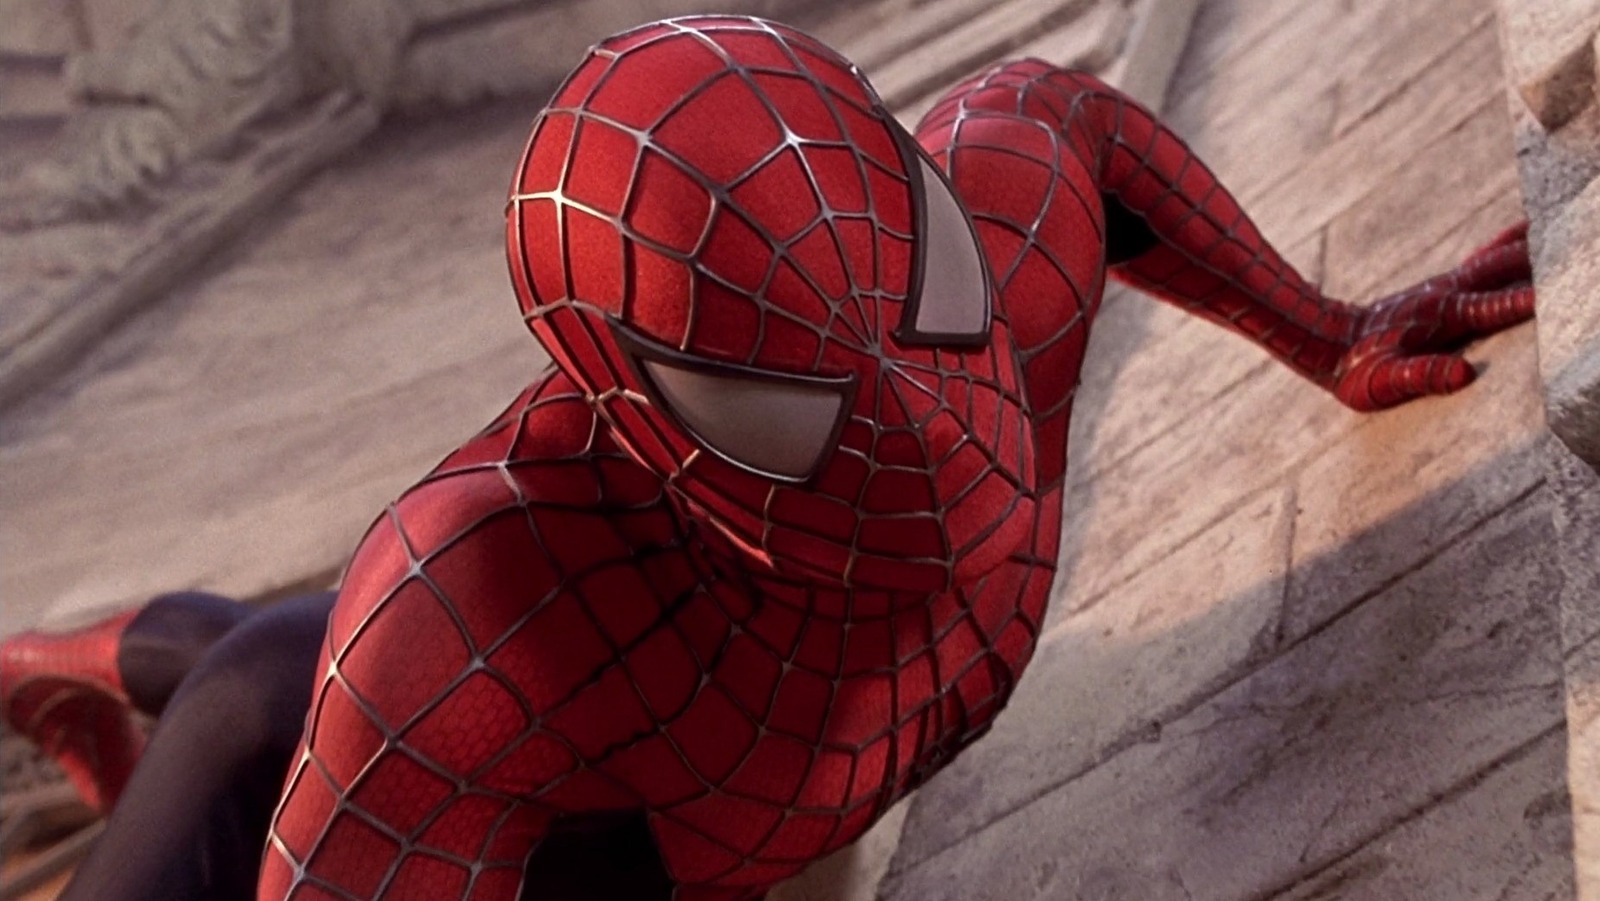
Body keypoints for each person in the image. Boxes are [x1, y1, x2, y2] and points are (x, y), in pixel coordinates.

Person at [0, 15, 1535, 900]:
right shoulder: (469, 609)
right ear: (641, 415)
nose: (931, 440)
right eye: (780, 407)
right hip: (579, 829)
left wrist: (1335, 330)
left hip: (626, 725)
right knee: (260, 699)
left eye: (929, 292)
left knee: (287, 660)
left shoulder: (1008, 245)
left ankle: (79, 652)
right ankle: (52, 661)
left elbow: (1073, 122)